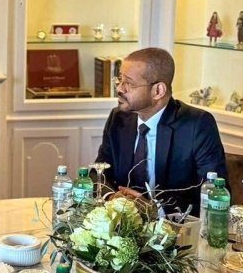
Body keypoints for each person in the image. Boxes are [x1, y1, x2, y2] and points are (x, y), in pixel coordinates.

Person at [94, 47, 228, 215]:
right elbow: (98, 173)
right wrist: (112, 197)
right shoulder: (119, 118)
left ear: (158, 91)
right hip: (123, 222)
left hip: (174, 225)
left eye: (129, 83)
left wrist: (156, 210)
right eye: (120, 80)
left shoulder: (197, 124)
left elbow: (213, 192)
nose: (120, 89)